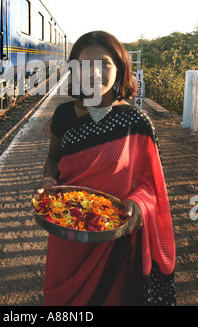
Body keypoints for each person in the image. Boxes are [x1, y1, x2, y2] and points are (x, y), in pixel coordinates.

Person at [35, 31, 176, 306]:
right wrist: (48, 178)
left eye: (104, 64)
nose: (94, 73)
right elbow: (53, 158)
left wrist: (137, 201)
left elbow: (151, 182)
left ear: (120, 68)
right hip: (68, 227)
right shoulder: (63, 115)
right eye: (85, 65)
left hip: (113, 232)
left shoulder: (136, 121)